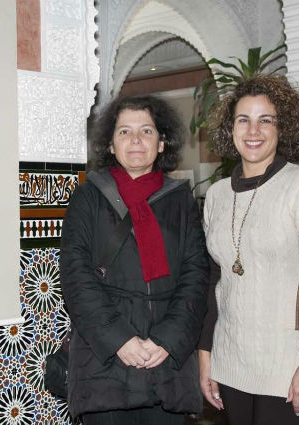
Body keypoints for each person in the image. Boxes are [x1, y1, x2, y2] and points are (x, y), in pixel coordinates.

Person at [198, 75, 299, 425]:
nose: (253, 130)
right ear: (229, 129)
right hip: (231, 356)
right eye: (243, 119)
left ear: (283, 128)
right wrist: (206, 353)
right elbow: (215, 280)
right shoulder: (216, 195)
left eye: (266, 120)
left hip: (287, 361)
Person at [60, 94, 209, 424]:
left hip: (166, 361)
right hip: (106, 362)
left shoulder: (181, 200)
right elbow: (76, 275)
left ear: (162, 142)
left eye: (147, 131)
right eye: (124, 132)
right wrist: (120, 340)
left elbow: (196, 275)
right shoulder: (88, 197)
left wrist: (167, 340)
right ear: (111, 145)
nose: (136, 140)